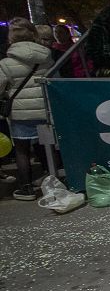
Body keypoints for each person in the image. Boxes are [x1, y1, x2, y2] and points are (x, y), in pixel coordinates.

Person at [0, 19, 52, 200]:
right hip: (45, 109)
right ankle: (53, 180)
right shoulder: (46, 57)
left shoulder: (6, 63)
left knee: (22, 151)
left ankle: (26, 188)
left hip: (20, 113)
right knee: (47, 147)